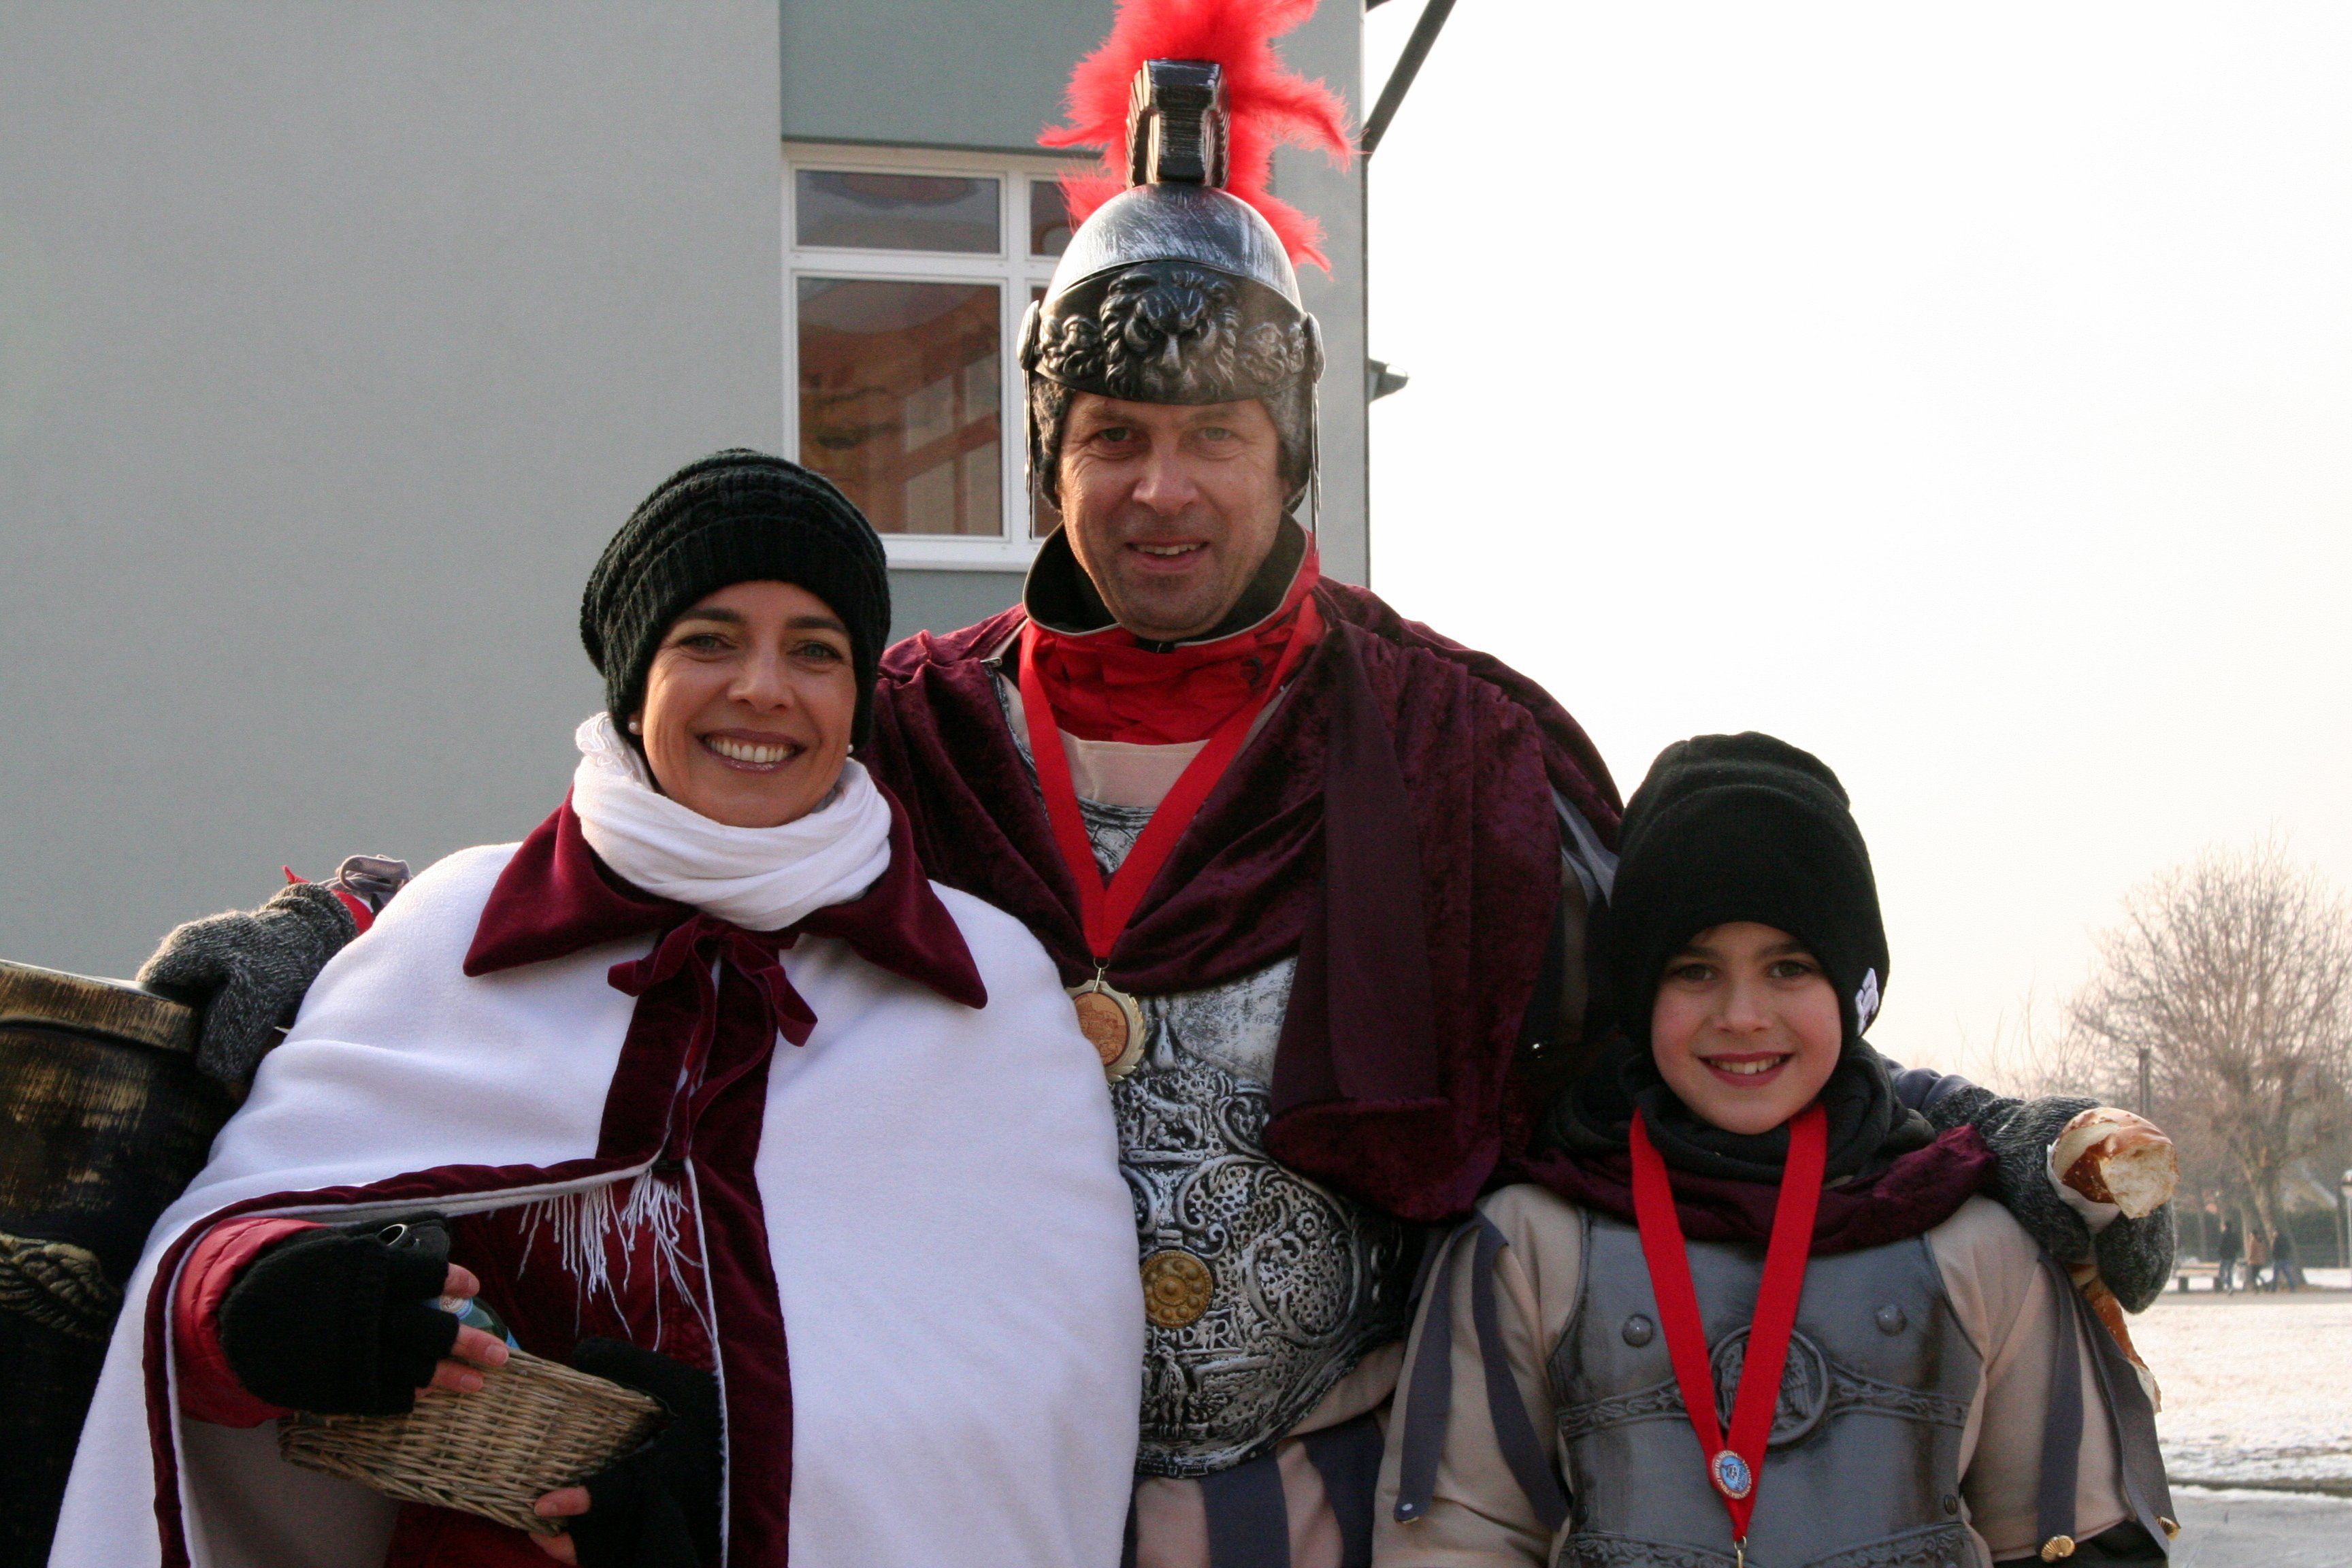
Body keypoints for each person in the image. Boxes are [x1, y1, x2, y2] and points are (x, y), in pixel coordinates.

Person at [114, 9, 2180, 1564]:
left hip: (1356, 1504)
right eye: (1111, 434)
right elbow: (621, 869)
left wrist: (2004, 1142)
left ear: (1292, 455)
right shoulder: (897, 724)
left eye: (1211, 439)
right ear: (1050, 453)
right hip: (951, 1504)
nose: (1161, 488)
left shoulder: (1463, 753)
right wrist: (339, 931)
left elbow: (1705, 1023)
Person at [51, 453, 1142, 1568]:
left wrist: (748, 1472)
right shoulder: (457, 928)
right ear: (632, 680)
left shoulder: (982, 986)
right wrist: (266, 1306)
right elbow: (207, 1280)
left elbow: (1047, 1401)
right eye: (709, 640)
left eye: (816, 650)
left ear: (857, 695)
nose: (764, 688)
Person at [1374, 735, 2176, 1567]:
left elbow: (2065, 1532)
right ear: (1639, 992)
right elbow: (1460, 1537)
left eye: (1789, 967)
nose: (1743, 1015)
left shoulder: (1975, 1243)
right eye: (1695, 971)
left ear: (1853, 990)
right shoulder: (1528, 1245)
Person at [2215, 1216, 2242, 1292]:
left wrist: (2220, 1253)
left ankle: (2229, 1285)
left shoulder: (2223, 1235)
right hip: (2233, 1256)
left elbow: (2221, 1245)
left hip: (2225, 1256)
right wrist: (2235, 1251)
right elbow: (2238, 1245)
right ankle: (2230, 1287)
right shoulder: (2234, 1235)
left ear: (2225, 1226)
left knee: (2221, 1274)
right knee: (2229, 1272)